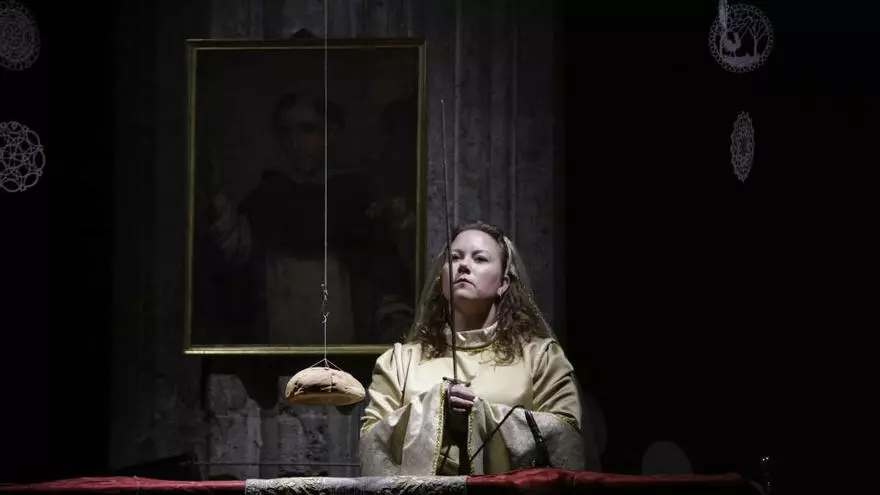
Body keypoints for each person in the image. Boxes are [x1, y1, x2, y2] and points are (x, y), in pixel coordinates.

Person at [359, 221, 600, 475]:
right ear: (441, 279)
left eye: (480, 258)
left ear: (503, 283)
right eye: (454, 257)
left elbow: (566, 436)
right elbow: (371, 442)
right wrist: (434, 408)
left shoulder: (541, 358)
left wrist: (480, 415)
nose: (464, 265)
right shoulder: (400, 362)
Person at [195, 91, 413, 346]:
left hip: (342, 333)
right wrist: (218, 206)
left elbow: (383, 270)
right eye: (286, 132)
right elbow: (237, 256)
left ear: (331, 135)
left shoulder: (356, 195)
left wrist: (392, 318)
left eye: (306, 130)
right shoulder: (268, 194)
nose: (294, 142)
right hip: (279, 333)